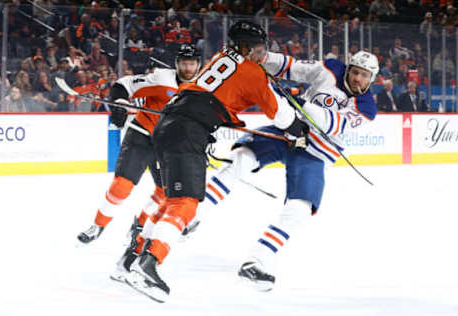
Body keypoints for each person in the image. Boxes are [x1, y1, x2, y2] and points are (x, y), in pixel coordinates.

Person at [121, 20, 309, 303]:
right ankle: (148, 265)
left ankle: (128, 261)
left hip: (168, 124)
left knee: (170, 199)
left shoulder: (221, 57)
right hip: (188, 131)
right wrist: (299, 129)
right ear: (245, 47)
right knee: (185, 203)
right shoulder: (254, 73)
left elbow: (221, 94)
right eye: (258, 49)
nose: (262, 55)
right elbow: (281, 117)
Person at [189, 49, 379, 292]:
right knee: (241, 158)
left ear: (372, 78)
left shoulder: (366, 107)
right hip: (289, 132)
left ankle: (257, 259)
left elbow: (332, 124)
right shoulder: (331, 69)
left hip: (315, 153)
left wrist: (300, 102)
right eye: (355, 72)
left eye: (364, 76)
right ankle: (192, 214)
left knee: (299, 209)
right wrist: (264, 57)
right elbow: (292, 67)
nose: (357, 79)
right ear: (348, 68)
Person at [76, 44, 202, 245]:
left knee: (166, 192)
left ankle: (140, 226)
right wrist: (120, 102)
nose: (188, 68)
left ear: (198, 65)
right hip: (142, 135)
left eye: (192, 64)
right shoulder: (161, 79)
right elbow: (123, 85)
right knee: (122, 185)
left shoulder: (202, 88)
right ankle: (97, 226)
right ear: (177, 64)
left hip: (168, 145)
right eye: (184, 63)